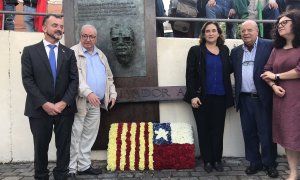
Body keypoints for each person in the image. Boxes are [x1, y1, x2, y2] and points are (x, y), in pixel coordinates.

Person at [21, 14, 79, 180]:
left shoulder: (68, 53)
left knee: (63, 146)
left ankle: (61, 175)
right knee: (40, 146)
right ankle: (41, 175)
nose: (59, 29)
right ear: (44, 28)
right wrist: (44, 103)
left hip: (64, 109)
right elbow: (27, 80)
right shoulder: (30, 52)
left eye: (61, 26)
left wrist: (63, 102)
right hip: (39, 109)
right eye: (55, 25)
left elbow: (74, 81)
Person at [230, 20, 278, 178]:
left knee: (266, 133)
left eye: (249, 30)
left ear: (257, 31)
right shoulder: (236, 52)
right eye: (243, 31)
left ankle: (270, 163)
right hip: (244, 100)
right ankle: (254, 162)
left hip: (263, 98)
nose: (246, 33)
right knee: (248, 132)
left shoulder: (269, 46)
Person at [68, 24, 117, 179]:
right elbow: (75, 78)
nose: (88, 39)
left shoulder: (100, 54)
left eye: (91, 36)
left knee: (89, 135)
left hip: (96, 103)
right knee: (75, 135)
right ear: (80, 36)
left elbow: (109, 77)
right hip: (80, 102)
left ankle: (83, 166)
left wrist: (112, 94)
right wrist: (88, 92)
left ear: (96, 38)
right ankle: (71, 168)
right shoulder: (72, 53)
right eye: (85, 36)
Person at [184, 21, 234, 173]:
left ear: (219, 33)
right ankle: (207, 161)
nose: (211, 33)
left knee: (218, 130)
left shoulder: (225, 50)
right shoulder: (195, 51)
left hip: (220, 96)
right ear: (203, 34)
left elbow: (229, 70)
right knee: (204, 129)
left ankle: (217, 160)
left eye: (214, 30)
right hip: (201, 98)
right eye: (207, 31)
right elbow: (190, 75)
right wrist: (193, 96)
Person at [261, 10, 300, 180]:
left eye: (285, 22)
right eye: (279, 24)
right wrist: (273, 86)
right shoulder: (276, 49)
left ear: (296, 24)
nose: (280, 26)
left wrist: (277, 77)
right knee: (288, 136)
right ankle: (293, 172)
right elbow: (266, 71)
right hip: (283, 100)